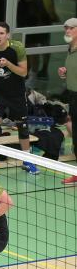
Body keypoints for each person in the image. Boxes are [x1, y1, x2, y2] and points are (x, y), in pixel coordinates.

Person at [0, 21, 40, 176]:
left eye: (1, 33)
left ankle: (27, 160)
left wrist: (8, 64)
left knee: (23, 126)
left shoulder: (17, 48)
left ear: (7, 35)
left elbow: (23, 73)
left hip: (17, 94)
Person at [18, 0, 59, 85]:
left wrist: (52, 15)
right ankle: (34, 71)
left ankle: (34, 73)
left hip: (37, 17)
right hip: (34, 17)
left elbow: (45, 0)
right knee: (38, 44)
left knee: (33, 45)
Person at [58, 18, 77, 184]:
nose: (67, 31)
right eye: (66, 28)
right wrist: (65, 73)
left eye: (71, 28)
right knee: (74, 131)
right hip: (73, 95)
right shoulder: (70, 48)